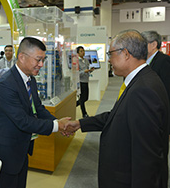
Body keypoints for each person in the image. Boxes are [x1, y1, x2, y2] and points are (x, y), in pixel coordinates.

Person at [68, 30, 169, 188]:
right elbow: (117, 117)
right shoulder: (140, 81)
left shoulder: (143, 90)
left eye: (111, 54)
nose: (109, 60)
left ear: (126, 54)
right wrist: (80, 124)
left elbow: (147, 161)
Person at [0, 37, 73, 188]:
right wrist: (58, 126)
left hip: (21, 147)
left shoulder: (30, 79)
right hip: (6, 150)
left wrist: (58, 122)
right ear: (22, 57)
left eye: (43, 60)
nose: (41, 65)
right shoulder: (5, 85)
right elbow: (23, 121)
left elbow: (38, 108)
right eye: (38, 60)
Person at [141, 30, 170, 105]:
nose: (139, 48)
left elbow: (167, 89)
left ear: (154, 45)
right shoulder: (145, 60)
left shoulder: (164, 61)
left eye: (143, 44)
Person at [76, 46, 94, 118]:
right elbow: (76, 73)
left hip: (86, 80)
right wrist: (84, 71)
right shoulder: (77, 61)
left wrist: (90, 70)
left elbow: (87, 69)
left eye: (83, 51)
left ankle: (74, 104)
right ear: (77, 53)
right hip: (80, 81)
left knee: (85, 98)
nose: (83, 52)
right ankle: (84, 114)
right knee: (82, 99)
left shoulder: (86, 60)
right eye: (81, 51)